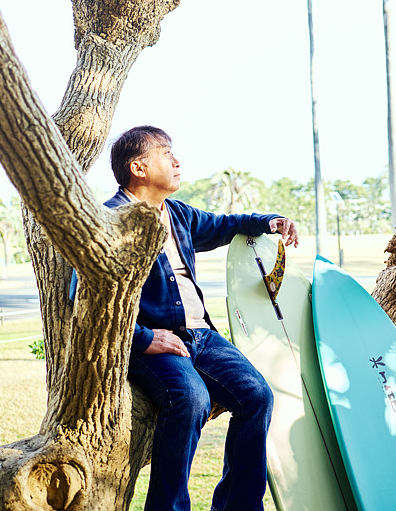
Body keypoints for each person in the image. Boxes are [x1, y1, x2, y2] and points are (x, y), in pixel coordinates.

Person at [103, 125, 297, 510]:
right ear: (139, 168)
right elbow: (88, 299)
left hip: (202, 337)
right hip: (152, 342)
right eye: (166, 153)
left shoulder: (177, 213)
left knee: (256, 395)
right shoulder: (108, 221)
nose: (177, 161)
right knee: (191, 399)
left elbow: (226, 225)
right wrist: (144, 338)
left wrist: (269, 221)